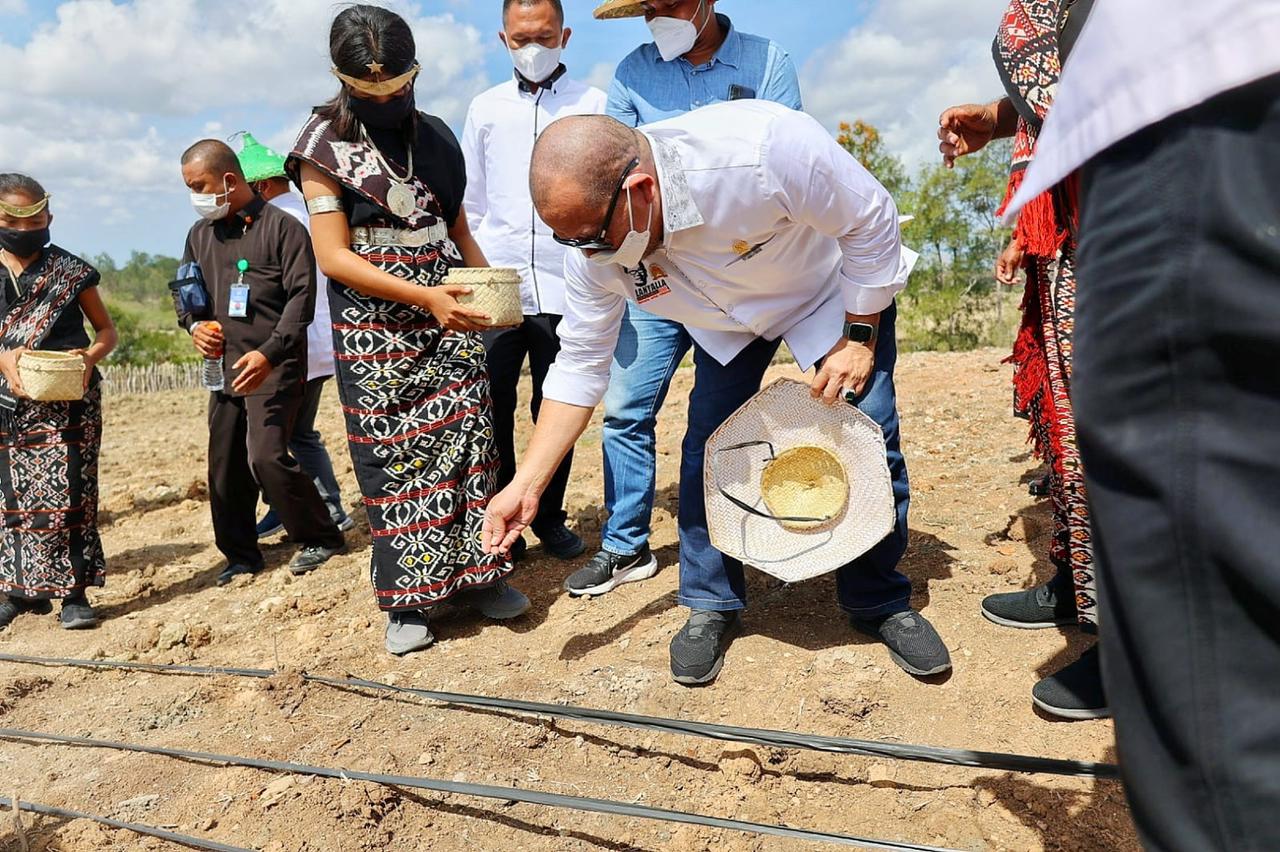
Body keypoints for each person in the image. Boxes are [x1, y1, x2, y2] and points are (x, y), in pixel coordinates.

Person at [485, 101, 950, 686]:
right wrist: (526, 485)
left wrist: (859, 336)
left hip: (826, 296)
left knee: (867, 434)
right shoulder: (591, 250)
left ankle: (878, 599)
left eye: (595, 237)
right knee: (712, 449)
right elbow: (580, 365)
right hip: (722, 324)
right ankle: (711, 601)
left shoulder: (763, 150)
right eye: (569, 240)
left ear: (641, 189)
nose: (587, 254)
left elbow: (871, 219)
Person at [1001, 1, 1280, 847]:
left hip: (1196, 109)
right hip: (1194, 99)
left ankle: (1126, 648)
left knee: (1194, 531)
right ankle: (1104, 619)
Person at [288, 4, 529, 657]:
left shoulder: (439, 138)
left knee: (470, 445)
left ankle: (484, 576)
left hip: (451, 314)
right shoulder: (321, 150)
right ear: (343, 81)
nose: (390, 99)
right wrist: (425, 298)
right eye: (373, 92)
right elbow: (335, 256)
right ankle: (412, 600)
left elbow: (457, 230)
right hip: (376, 334)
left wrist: (491, 294)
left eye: (399, 86)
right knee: (394, 462)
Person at [564, 0, 804, 597]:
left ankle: (741, 544)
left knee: (716, 422)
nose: (656, 17)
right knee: (625, 408)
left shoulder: (768, 62)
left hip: (737, 273)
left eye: (667, 4)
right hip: (655, 272)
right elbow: (612, 174)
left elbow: (782, 157)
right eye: (647, 8)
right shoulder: (631, 74)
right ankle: (625, 546)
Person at [937, 0, 1103, 720]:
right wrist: (998, 118)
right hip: (1076, 228)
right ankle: (1078, 578)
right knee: (1072, 429)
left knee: (1116, 436)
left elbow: (1124, 95)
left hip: (1135, 230)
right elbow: (1067, 88)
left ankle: (1138, 642)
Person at [460, 0, 606, 564]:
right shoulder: (485, 108)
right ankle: (498, 517)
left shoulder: (593, 105)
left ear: (565, 34)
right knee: (491, 404)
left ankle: (547, 514)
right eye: (521, 39)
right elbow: (469, 200)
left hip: (569, 282)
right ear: (503, 39)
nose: (533, 48)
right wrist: (476, 272)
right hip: (499, 287)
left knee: (555, 403)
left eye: (544, 36)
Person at [177, 140, 346, 587]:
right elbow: (185, 292)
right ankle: (240, 554)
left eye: (199, 186)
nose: (195, 195)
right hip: (225, 367)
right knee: (225, 466)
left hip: (275, 364)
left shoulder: (285, 229)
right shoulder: (200, 236)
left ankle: (320, 535)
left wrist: (269, 353)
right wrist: (195, 326)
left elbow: (301, 302)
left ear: (230, 181)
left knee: (267, 457)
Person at [0, 174, 117, 632]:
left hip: (70, 399)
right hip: (7, 402)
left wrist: (88, 357)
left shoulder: (72, 271)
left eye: (36, 218)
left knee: (71, 493)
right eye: (12, 219)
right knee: (10, 497)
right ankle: (18, 590)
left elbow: (107, 332)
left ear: (49, 215)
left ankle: (73, 593)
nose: (25, 228)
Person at [233, 131, 356, 537]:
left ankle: (326, 507)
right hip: (315, 340)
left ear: (261, 186)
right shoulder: (307, 212)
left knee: (292, 435)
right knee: (292, 434)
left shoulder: (282, 221)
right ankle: (294, 506)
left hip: (298, 342)